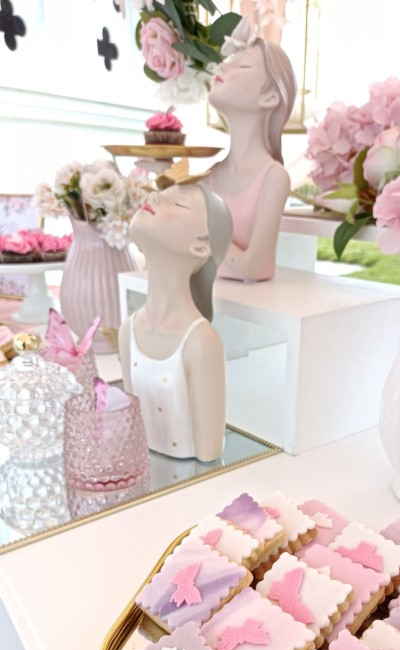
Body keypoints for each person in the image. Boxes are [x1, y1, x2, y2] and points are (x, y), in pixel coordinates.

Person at [118, 182, 233, 463]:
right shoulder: (128, 331)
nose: (154, 196)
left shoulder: (201, 342)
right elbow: (135, 434)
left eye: (179, 203)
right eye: (161, 194)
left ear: (200, 247)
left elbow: (209, 455)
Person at [207, 16, 296, 281]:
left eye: (242, 65)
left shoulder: (273, 178)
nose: (222, 67)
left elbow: (250, 267)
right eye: (227, 62)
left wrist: (201, 227)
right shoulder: (212, 174)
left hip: (253, 303)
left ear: (269, 97)